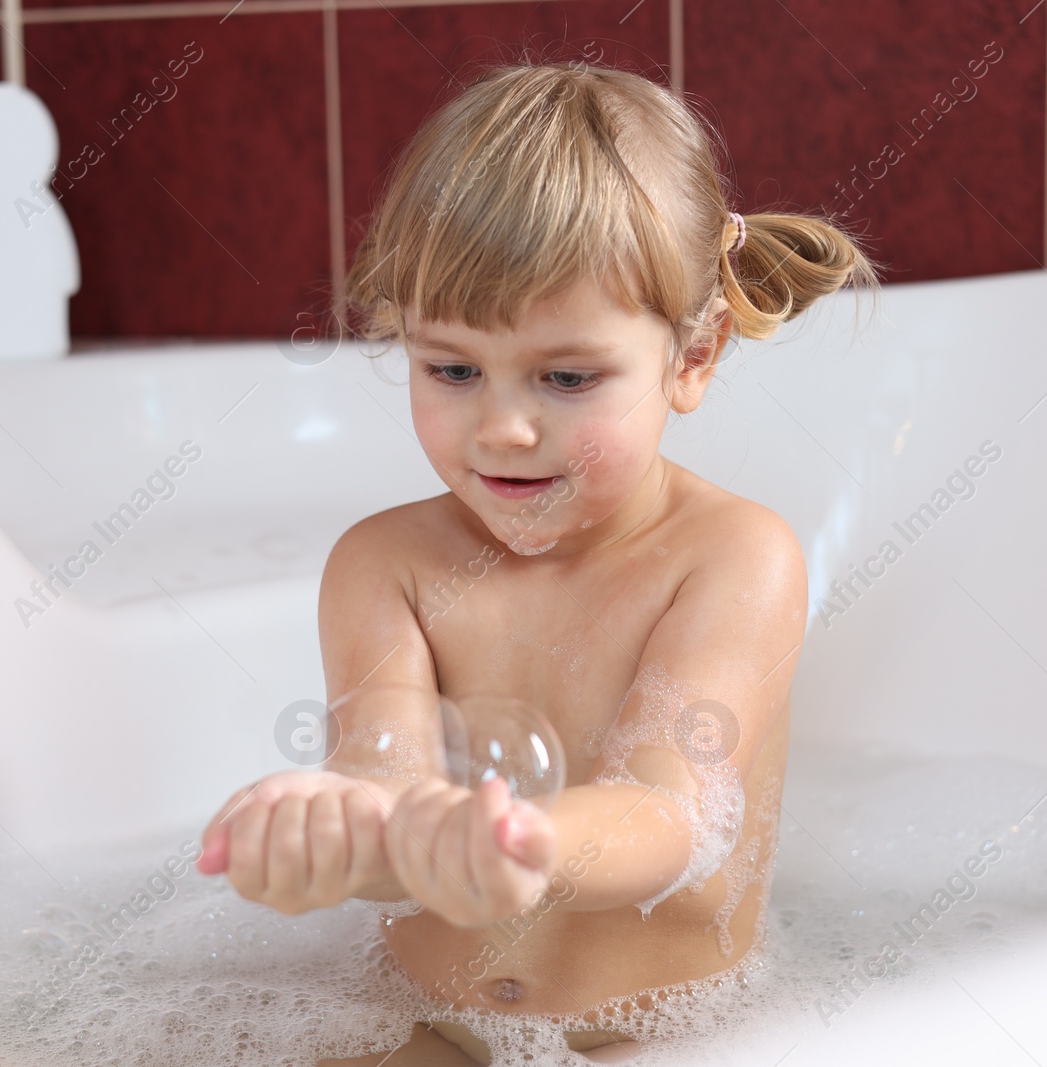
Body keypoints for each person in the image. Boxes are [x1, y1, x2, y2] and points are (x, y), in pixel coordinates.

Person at [197, 59, 879, 1064]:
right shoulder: (384, 565)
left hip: (659, 1035)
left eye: (565, 376)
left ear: (693, 357)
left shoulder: (732, 557)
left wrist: (525, 846)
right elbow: (385, 783)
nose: (502, 428)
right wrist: (325, 835)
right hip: (425, 1023)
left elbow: (671, 811)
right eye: (452, 369)